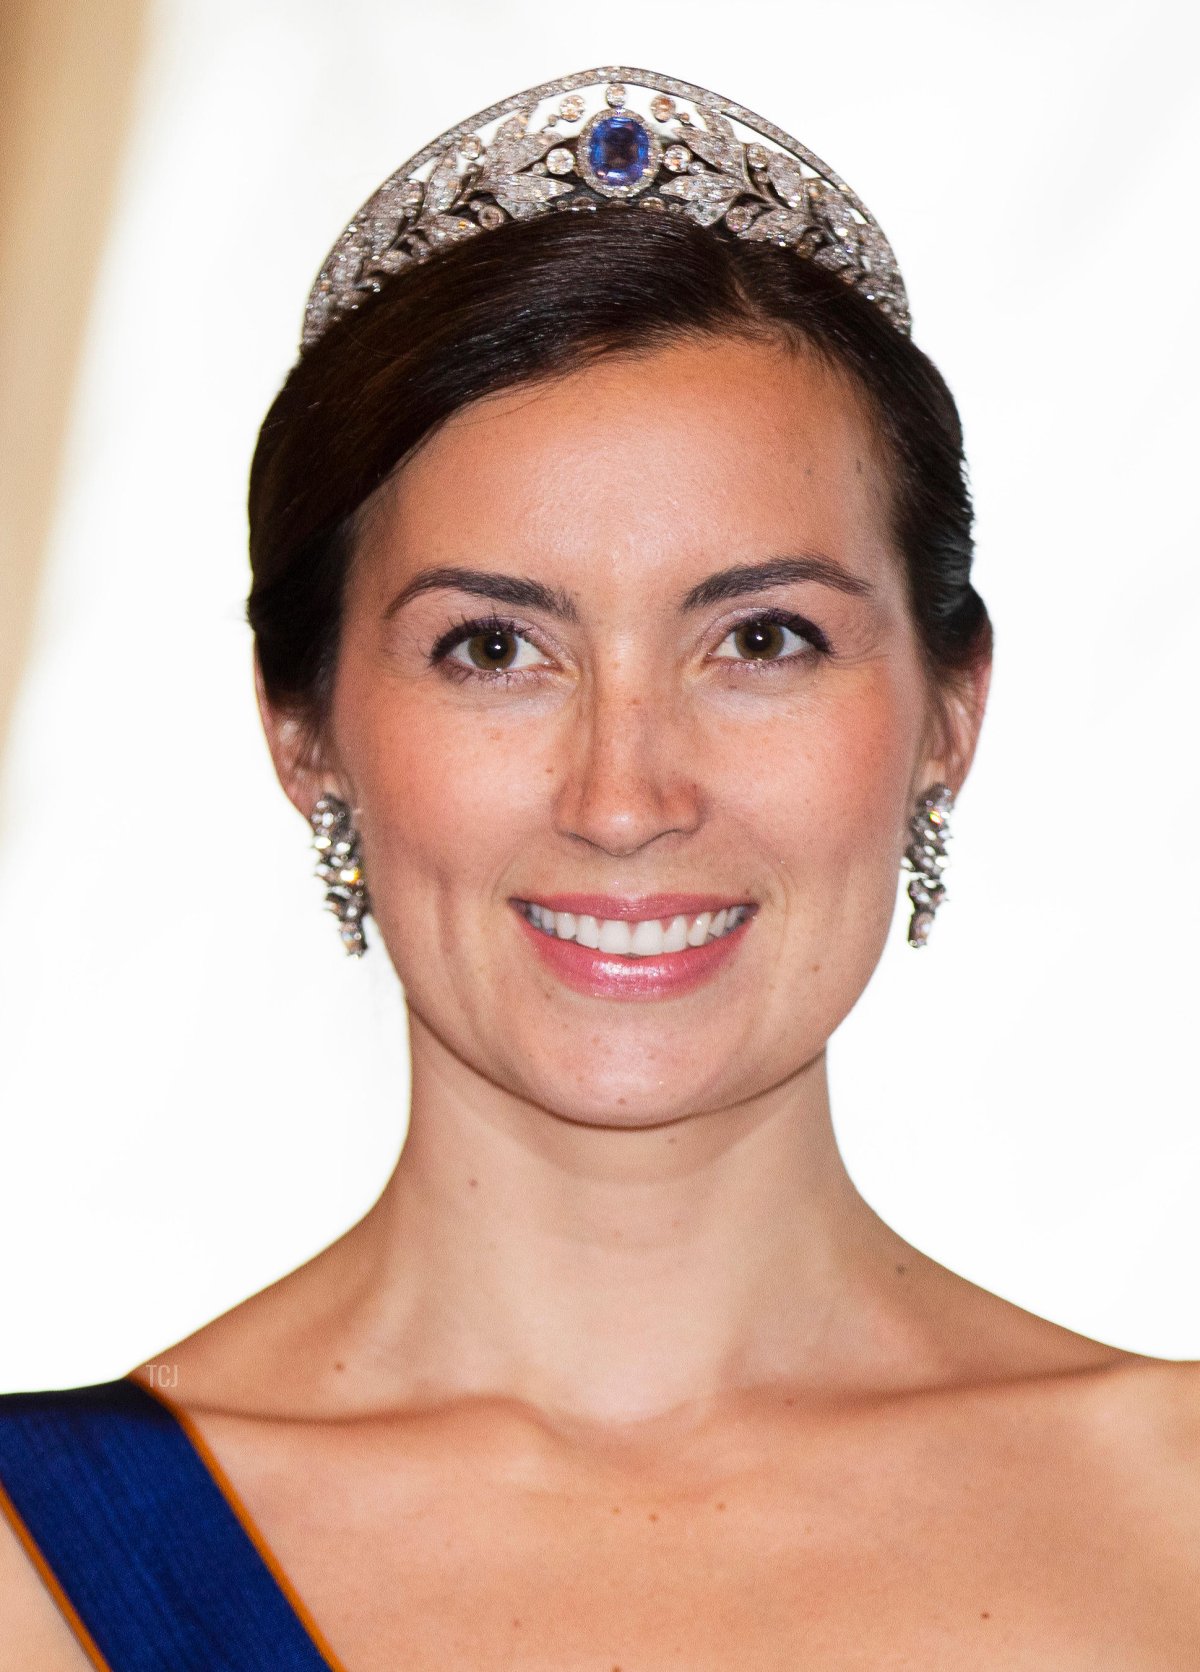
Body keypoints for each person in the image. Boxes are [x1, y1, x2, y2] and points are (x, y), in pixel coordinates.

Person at [1, 64, 1197, 1672]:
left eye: (762, 640)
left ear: (949, 711)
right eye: (494, 648)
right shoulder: (26, 1573)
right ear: (305, 730)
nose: (626, 798)